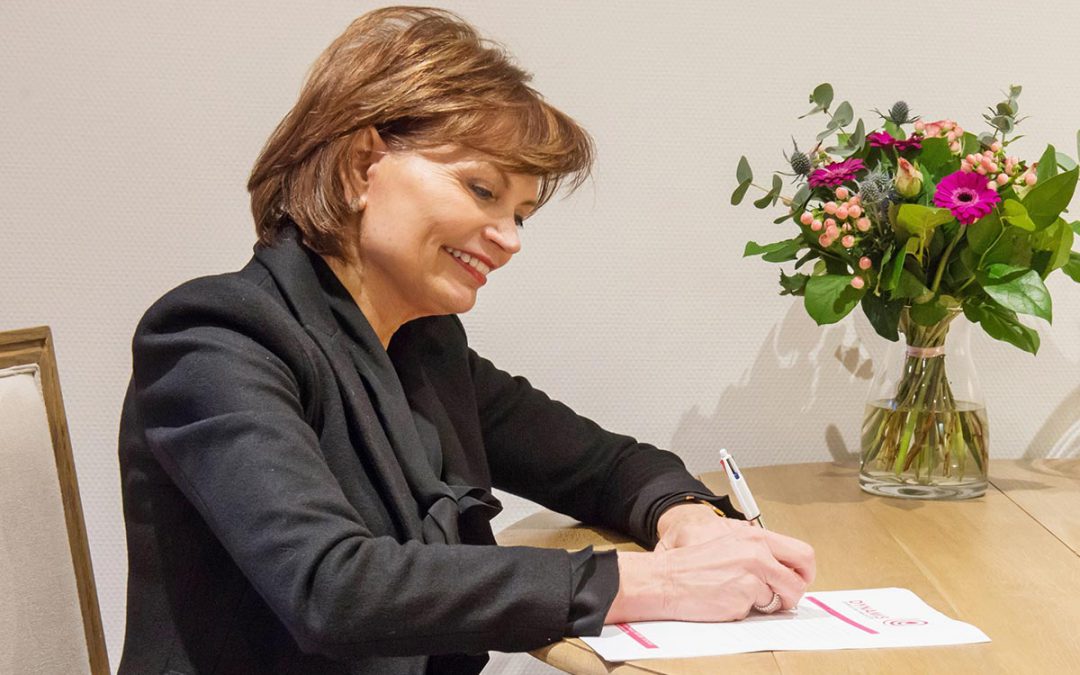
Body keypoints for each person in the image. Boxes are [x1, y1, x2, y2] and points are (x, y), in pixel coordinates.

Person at [117, 7, 815, 674]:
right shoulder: (215, 336)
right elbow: (334, 587)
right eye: (483, 191)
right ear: (363, 165)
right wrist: (651, 579)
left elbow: (601, 465)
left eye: (521, 214)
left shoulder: (423, 347)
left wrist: (684, 516)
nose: (509, 239)